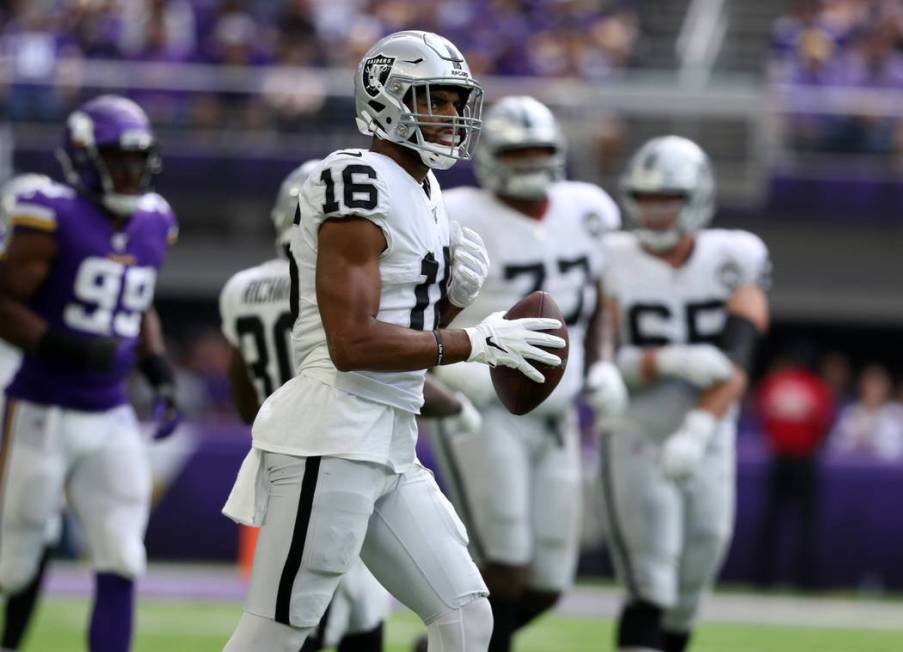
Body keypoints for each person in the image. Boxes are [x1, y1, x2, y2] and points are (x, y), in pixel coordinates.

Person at [221, 30, 566, 652]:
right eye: (434, 99)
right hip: (330, 432)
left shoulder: (425, 189)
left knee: (466, 616)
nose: (451, 117)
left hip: (391, 435)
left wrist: (452, 302)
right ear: (385, 98)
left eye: (457, 101)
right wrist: (473, 340)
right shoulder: (354, 177)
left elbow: (406, 328)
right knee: (278, 628)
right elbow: (352, 343)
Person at [427, 95, 626, 652]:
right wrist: (448, 361)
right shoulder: (454, 210)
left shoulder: (588, 208)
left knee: (547, 584)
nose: (529, 163)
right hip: (482, 402)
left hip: (558, 412)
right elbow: (415, 305)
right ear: (489, 155)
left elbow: (601, 296)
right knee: (503, 564)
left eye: (539, 151)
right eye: (516, 152)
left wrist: (605, 362)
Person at [0, 95, 181, 652]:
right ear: (82, 157)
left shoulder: (155, 219)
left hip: (109, 413)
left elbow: (139, 301)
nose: (129, 170)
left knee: (123, 552)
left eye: (137, 158)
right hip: (42, 408)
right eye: (115, 158)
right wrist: (66, 345)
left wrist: (156, 367)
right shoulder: (48, 214)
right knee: (15, 557)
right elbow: (3, 302)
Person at [599, 135, 770, 652]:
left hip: (709, 431)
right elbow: (600, 357)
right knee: (651, 579)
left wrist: (699, 427)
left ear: (694, 197)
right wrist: (663, 360)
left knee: (694, 579)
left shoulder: (735, 255)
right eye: (646, 198)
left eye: (666, 199)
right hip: (636, 430)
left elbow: (739, 358)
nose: (653, 212)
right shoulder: (611, 256)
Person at [219, 160, 393, 652]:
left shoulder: (240, 291)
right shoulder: (339, 291)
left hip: (281, 450)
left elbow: (244, 399)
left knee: (309, 603)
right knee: (338, 608)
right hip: (339, 445)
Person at [754, 345, 834, 588]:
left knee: (772, 522)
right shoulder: (815, 386)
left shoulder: (775, 383)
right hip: (803, 460)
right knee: (805, 524)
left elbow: (763, 419)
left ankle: (763, 580)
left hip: (781, 459)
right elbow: (823, 424)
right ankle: (807, 582)